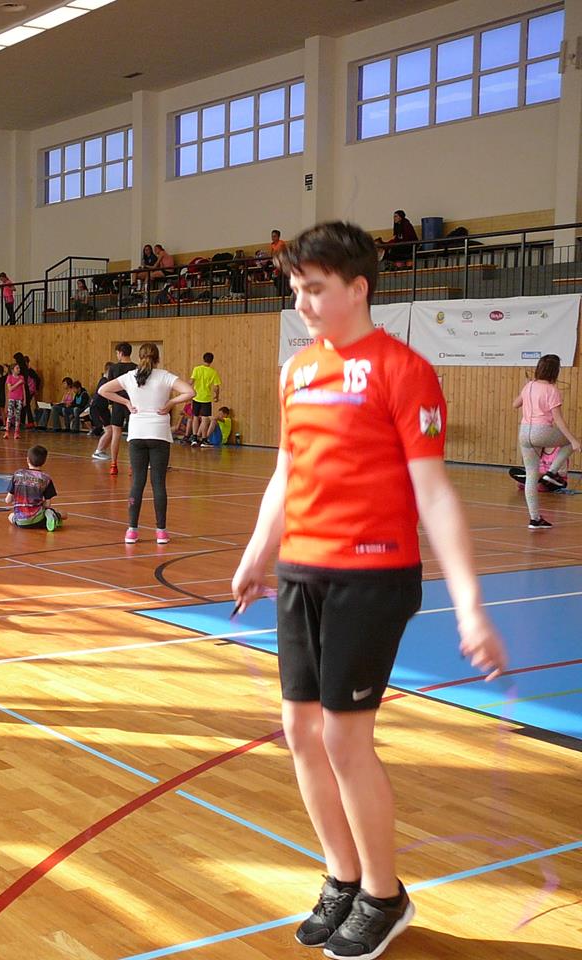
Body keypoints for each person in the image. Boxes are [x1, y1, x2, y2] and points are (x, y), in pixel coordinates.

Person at [231, 221, 507, 960]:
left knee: (345, 737)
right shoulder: (297, 371)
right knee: (300, 731)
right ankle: (342, 878)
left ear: (358, 288)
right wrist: (258, 552)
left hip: (373, 576)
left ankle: (386, 896)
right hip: (302, 571)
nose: (302, 303)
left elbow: (434, 493)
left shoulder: (403, 370)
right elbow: (286, 472)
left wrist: (471, 605)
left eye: (315, 289)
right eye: (296, 290)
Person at [99, 343, 193, 545]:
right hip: (159, 434)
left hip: (137, 433)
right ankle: (161, 532)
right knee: (158, 483)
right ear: (157, 358)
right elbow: (190, 392)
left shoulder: (130, 376)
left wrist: (126, 402)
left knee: (137, 483)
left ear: (139, 356)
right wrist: (170, 403)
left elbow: (103, 390)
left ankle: (132, 530)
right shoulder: (164, 376)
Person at [513, 354, 577, 529]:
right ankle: (552, 472)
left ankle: (535, 519)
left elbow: (515, 404)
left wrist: (526, 389)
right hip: (541, 431)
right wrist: (574, 440)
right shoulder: (552, 390)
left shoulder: (529, 386)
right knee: (568, 443)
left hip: (524, 433)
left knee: (531, 475)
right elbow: (559, 420)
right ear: (555, 371)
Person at [95, 343, 136, 475]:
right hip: (132, 403)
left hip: (117, 403)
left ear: (120, 353)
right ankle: (132, 466)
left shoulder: (113, 368)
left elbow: (109, 387)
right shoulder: (136, 368)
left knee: (116, 434)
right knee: (132, 435)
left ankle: (113, 464)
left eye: (117, 353)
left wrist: (111, 403)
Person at [6, 445, 63, 530]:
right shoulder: (46, 478)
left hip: (21, 521)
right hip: (38, 519)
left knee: (10, 516)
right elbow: (47, 504)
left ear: (27, 459)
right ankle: (53, 517)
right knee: (64, 514)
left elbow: (8, 500)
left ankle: (47, 517)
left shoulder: (18, 474)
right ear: (44, 461)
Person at [189, 352, 222, 446]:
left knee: (195, 417)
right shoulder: (213, 372)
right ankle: (204, 440)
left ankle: (194, 438)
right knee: (205, 419)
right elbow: (216, 387)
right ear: (212, 361)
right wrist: (216, 396)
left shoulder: (197, 369)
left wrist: (186, 391)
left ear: (203, 359)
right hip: (206, 398)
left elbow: (191, 381)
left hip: (196, 397)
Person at [4, 362, 26, 440]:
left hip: (19, 399)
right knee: (10, 415)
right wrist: (18, 383)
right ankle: (7, 432)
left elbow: (23, 389)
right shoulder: (9, 377)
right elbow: (10, 389)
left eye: (19, 368)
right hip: (12, 399)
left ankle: (16, 432)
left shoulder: (21, 377)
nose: (19, 369)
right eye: (17, 368)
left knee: (18, 415)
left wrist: (24, 399)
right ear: (12, 370)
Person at [270, 229, 290, 299]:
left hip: (283, 264)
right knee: (276, 279)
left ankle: (284, 293)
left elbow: (282, 253)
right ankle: (280, 292)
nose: (273, 238)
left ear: (278, 237)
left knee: (282, 279)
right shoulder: (272, 245)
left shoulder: (281, 243)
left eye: (274, 236)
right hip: (276, 264)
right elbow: (272, 254)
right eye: (272, 236)